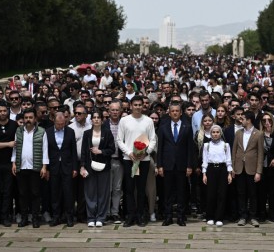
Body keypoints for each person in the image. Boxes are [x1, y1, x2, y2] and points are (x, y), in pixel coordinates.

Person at [116, 95, 157, 227]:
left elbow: (153, 140)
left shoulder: (148, 121)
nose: (138, 107)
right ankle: (130, 216)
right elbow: (119, 140)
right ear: (131, 106)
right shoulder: (124, 120)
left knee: (140, 188)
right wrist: (129, 152)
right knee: (129, 188)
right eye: (135, 105)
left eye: (140, 105)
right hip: (129, 159)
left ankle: (140, 215)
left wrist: (146, 152)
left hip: (143, 160)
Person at [156, 102, 195, 226]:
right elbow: (160, 148)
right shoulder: (163, 127)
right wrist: (159, 165)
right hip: (167, 165)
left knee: (181, 192)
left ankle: (180, 217)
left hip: (182, 165)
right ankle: (168, 217)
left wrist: (190, 165)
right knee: (167, 192)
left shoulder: (187, 127)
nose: (175, 113)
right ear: (169, 112)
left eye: (177, 111)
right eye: (172, 111)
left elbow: (190, 148)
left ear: (181, 112)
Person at [11, 108, 49, 228]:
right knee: (22, 194)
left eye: (30, 118)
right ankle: (24, 218)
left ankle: (35, 218)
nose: (28, 120)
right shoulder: (18, 131)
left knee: (35, 193)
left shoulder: (42, 131)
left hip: (35, 167)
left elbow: (45, 150)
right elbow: (15, 148)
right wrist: (13, 163)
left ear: (35, 119)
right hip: (21, 167)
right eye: (26, 118)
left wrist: (44, 166)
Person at [80, 109, 115, 227]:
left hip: (104, 165)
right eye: (94, 117)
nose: (96, 119)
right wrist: (82, 167)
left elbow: (112, 150)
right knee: (90, 192)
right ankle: (90, 217)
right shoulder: (86, 134)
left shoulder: (107, 132)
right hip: (90, 166)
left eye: (98, 117)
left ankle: (101, 217)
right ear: (91, 120)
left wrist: (101, 151)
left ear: (102, 119)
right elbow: (84, 152)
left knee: (103, 193)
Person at [232, 110, 264, 227]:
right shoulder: (238, 133)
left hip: (252, 168)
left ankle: (253, 216)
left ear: (249, 120)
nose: (241, 119)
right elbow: (234, 151)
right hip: (239, 168)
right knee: (241, 193)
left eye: (243, 118)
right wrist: (233, 167)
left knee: (253, 194)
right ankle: (243, 216)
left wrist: (258, 171)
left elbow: (261, 153)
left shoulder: (259, 134)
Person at [46, 111, 78, 227]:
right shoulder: (48, 132)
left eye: (62, 124)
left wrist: (75, 168)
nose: (60, 126)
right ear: (54, 121)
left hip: (67, 166)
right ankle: (56, 216)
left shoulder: (70, 131)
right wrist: (47, 168)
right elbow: (46, 151)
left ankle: (69, 216)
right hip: (53, 166)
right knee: (55, 192)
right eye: (58, 124)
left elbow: (73, 151)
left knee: (68, 192)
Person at [202, 124, 232, 227]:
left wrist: (229, 173)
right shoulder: (207, 145)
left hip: (222, 169)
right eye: (213, 132)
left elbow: (228, 159)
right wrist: (204, 174)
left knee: (222, 194)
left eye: (217, 132)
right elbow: (205, 160)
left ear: (220, 133)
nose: (215, 134)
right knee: (211, 194)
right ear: (210, 134)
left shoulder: (225, 145)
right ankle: (210, 216)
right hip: (211, 169)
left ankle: (219, 217)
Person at [257, 112, 274, 222]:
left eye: (269, 120)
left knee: (273, 192)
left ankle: (273, 213)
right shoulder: (258, 135)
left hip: (273, 168)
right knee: (261, 192)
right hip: (261, 166)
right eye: (264, 120)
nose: (267, 122)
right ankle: (261, 213)